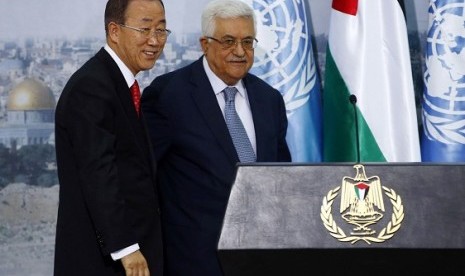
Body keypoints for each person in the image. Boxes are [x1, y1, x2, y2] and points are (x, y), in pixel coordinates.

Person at [140, 0, 292, 275]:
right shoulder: (169, 96)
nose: (239, 51)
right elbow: (140, 176)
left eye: (248, 42)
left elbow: (281, 178)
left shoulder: (270, 100)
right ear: (205, 44)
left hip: (262, 260)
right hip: (194, 261)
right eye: (228, 41)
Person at [53, 0, 169, 275]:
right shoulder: (92, 87)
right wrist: (127, 248)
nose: (154, 40)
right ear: (114, 31)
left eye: (162, 30)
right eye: (145, 29)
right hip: (106, 262)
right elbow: (98, 174)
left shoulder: (119, 84)